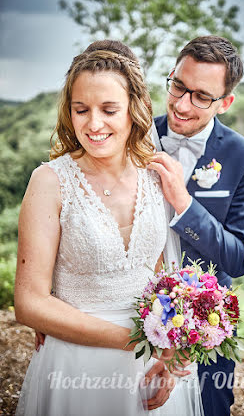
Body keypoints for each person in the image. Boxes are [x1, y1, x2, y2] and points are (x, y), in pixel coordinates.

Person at [14, 40, 204, 416]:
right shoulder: (50, 181)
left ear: (134, 110)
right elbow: (30, 302)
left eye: (109, 109)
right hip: (74, 365)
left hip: (151, 369)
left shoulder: (156, 177)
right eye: (80, 109)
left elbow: (162, 277)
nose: (93, 124)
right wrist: (139, 341)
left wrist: (173, 353)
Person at [148, 35, 244, 416]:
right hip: (131, 317)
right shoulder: (135, 137)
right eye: (179, 86)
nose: (182, 104)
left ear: (226, 103)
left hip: (204, 327)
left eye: (201, 96)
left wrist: (184, 202)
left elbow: (240, 258)